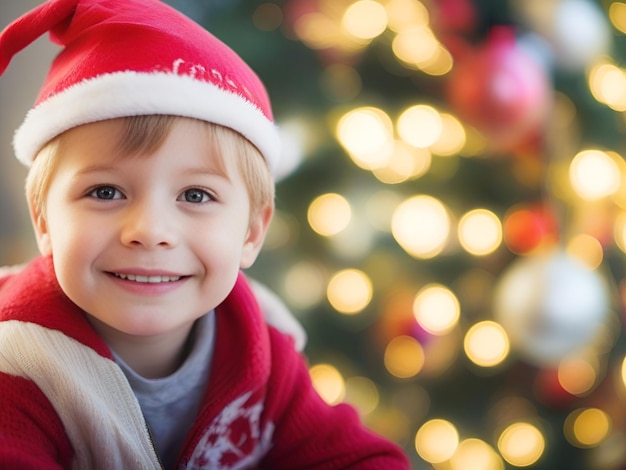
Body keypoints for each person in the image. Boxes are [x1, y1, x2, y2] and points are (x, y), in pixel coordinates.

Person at [0, 0, 411, 469]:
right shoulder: (17, 364)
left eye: (195, 196)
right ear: (44, 220)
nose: (151, 232)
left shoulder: (261, 343)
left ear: (253, 232)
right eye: (106, 191)